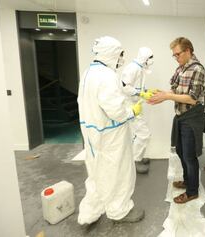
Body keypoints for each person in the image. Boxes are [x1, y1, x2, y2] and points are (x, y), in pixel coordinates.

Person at [77, 36, 144, 225]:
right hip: (111, 133)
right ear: (111, 53)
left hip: (91, 132)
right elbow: (115, 110)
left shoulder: (89, 72)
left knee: (96, 172)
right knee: (119, 172)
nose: (121, 59)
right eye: (120, 54)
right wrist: (132, 111)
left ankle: (90, 212)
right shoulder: (107, 76)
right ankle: (119, 211)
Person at [148, 37, 205, 204]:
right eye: (174, 55)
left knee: (190, 156)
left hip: (192, 117)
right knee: (181, 152)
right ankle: (188, 181)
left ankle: (192, 191)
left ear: (188, 51)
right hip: (181, 117)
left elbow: (192, 99)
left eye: (178, 54)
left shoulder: (198, 70)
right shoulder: (181, 69)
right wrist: (162, 94)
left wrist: (167, 96)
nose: (176, 57)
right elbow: (175, 90)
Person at [121, 47, 155, 174]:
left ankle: (137, 157)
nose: (151, 61)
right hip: (129, 105)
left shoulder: (139, 68)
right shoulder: (133, 68)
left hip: (135, 104)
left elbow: (136, 87)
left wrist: (146, 92)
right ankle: (136, 160)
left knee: (138, 133)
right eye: (150, 58)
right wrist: (140, 93)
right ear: (145, 58)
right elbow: (124, 87)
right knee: (143, 133)